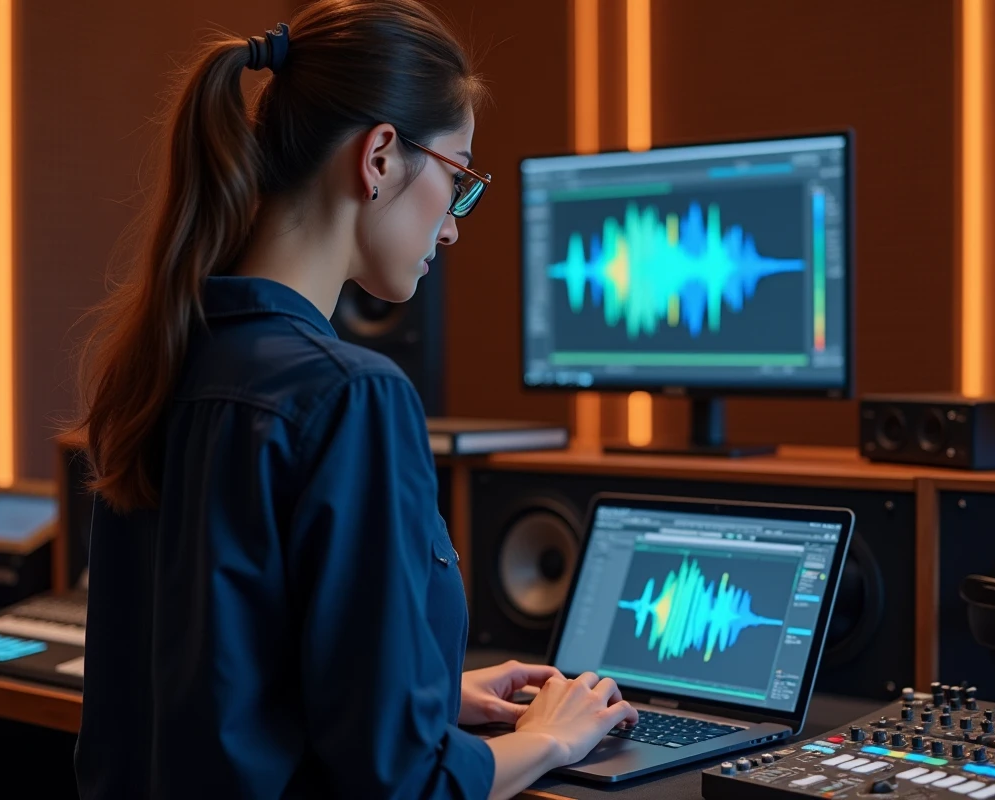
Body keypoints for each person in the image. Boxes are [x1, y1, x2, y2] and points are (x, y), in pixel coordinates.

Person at [70, 1, 637, 798]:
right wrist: (548, 740)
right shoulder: (350, 398)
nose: (452, 227)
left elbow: (214, 685)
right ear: (378, 158)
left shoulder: (159, 365)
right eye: (460, 177)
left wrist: (420, 701)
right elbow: (403, 786)